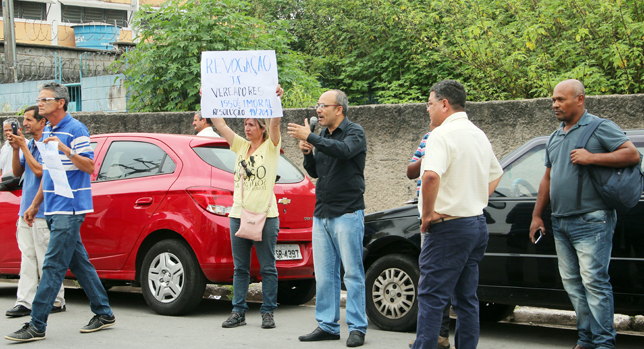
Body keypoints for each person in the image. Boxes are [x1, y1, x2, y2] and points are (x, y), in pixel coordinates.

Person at [529, 79, 640, 349]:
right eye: (553, 100)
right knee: (573, 285)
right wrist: (537, 215)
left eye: (561, 99)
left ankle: (604, 343)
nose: (555, 104)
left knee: (594, 283)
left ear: (579, 99)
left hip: (592, 220)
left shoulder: (600, 127)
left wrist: (592, 157)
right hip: (561, 222)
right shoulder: (555, 136)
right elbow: (547, 177)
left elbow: (632, 154)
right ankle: (586, 339)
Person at [5, 82, 115, 342]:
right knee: (80, 263)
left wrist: (65, 149)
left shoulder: (76, 129)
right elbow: (49, 174)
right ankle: (104, 312)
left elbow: (89, 166)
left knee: (52, 265)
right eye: (39, 99)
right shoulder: (49, 130)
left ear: (61, 102)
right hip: (52, 206)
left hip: (71, 207)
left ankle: (36, 324)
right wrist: (34, 206)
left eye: (45, 99)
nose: (39, 103)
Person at [415, 80, 503, 349]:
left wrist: (428, 215)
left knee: (431, 296)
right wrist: (474, 197)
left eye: (430, 104)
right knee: (466, 300)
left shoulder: (442, 134)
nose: (428, 110)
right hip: (475, 225)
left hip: (448, 226)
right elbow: (496, 174)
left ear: (444, 104)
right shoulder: (478, 134)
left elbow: (430, 176)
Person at [287, 89, 368, 347]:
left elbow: (343, 152)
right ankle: (327, 325)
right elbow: (315, 171)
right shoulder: (322, 136)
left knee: (353, 273)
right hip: (322, 213)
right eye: (317, 105)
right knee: (324, 274)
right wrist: (308, 152)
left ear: (339, 109)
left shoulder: (355, 132)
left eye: (323, 105)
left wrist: (311, 137)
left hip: (347, 212)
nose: (318, 110)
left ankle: (357, 327)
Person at [212, 84, 284, 330]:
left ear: (262, 128)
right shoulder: (241, 146)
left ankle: (268, 312)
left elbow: (276, 124)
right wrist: (209, 98)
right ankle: (238, 311)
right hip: (238, 214)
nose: (246, 127)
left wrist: (276, 101)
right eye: (245, 123)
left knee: (267, 267)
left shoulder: (271, 145)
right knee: (240, 267)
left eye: (252, 124)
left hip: (266, 215)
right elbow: (220, 125)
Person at [5, 106, 66, 318]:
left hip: (43, 210)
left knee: (45, 258)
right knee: (27, 257)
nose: (25, 123)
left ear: (42, 122)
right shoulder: (29, 144)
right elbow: (17, 171)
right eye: (24, 119)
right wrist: (16, 148)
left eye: (30, 119)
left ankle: (56, 300)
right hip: (26, 209)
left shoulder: (47, 145)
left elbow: (40, 171)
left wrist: (24, 147)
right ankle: (25, 301)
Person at [406, 129, 452, 349]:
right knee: (429, 279)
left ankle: (436, 336)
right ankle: (433, 335)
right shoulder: (428, 138)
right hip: (427, 219)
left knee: (439, 281)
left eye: (431, 104)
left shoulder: (456, 136)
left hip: (445, 218)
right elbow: (410, 171)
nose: (427, 109)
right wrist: (426, 157)